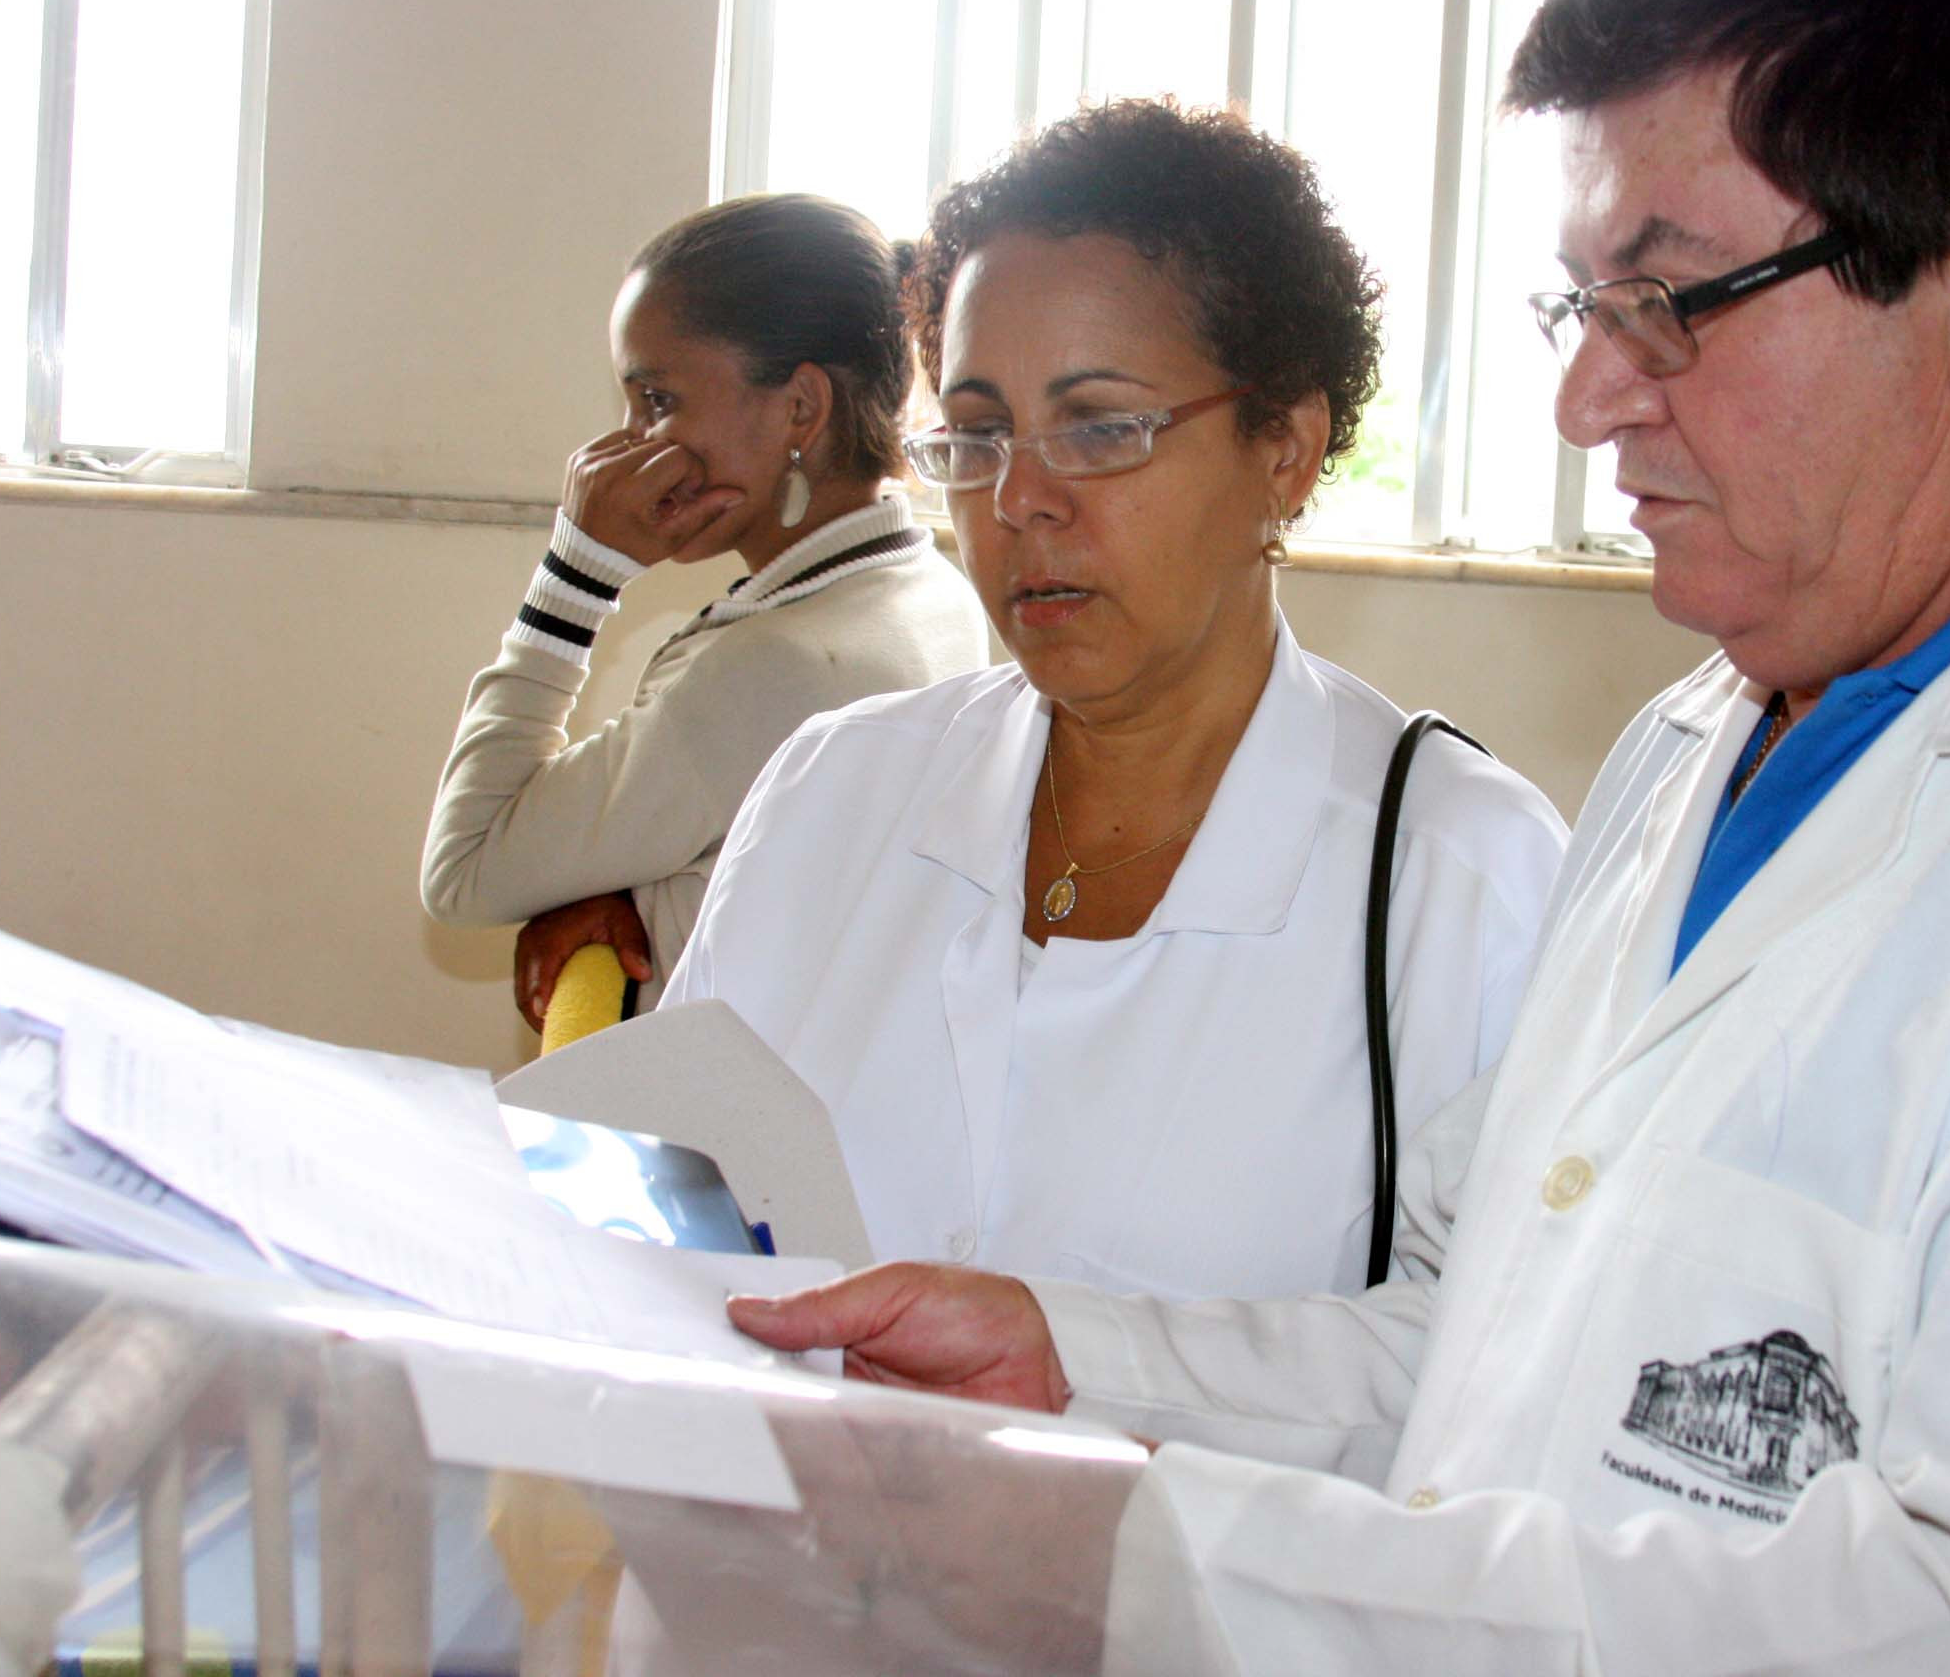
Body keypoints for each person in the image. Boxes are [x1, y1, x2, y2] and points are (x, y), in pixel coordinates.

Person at [726, 0, 1950, 1674]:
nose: (1587, 396)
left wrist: (1136, 1551)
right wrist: (1077, 1362)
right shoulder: (1711, 741)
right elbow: (1483, 1351)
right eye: (1580, 305)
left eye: (1667, 297)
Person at [657, 101, 1569, 1298]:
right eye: (977, 435)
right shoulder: (832, 791)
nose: (1021, 496)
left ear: (1283, 451)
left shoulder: (1463, 884)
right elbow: (665, 1216)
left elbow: (1487, 1378)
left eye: (1099, 428)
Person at [420, 194, 988, 1027]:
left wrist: (574, 577)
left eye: (656, 400)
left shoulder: (766, 666)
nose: (627, 447)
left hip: (698, 1132)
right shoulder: (933, 590)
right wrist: (624, 882)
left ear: (800, 406)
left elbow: (465, 868)